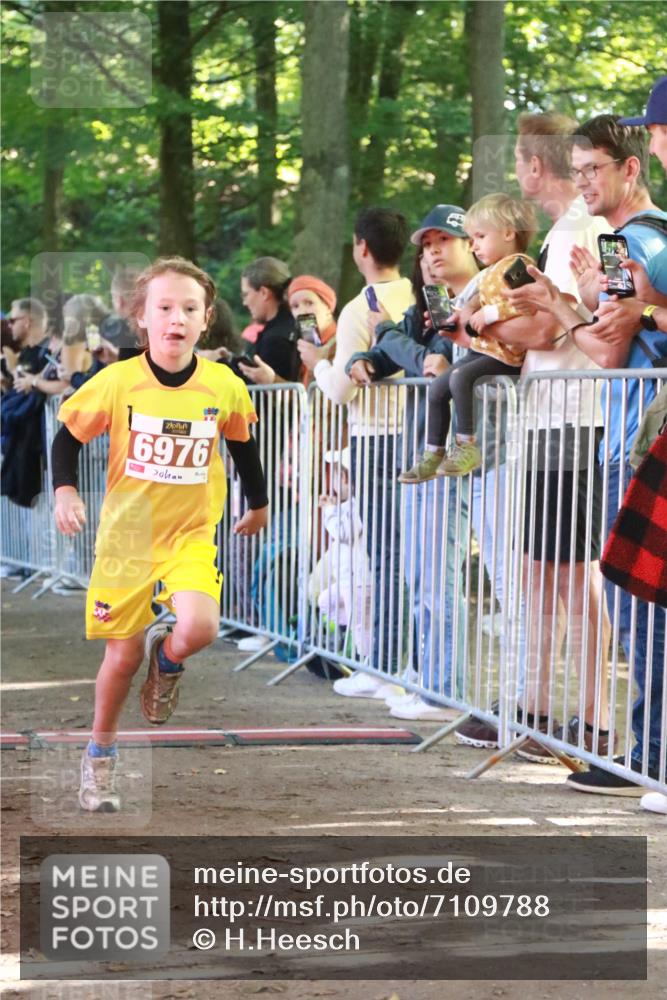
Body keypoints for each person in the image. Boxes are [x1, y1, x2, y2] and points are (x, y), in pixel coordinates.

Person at [51, 257, 268, 812]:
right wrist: (65, 491)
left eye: (189, 309)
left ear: (206, 319)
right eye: (165, 307)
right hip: (127, 539)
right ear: (142, 318)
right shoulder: (118, 380)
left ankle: (166, 662)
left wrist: (259, 504)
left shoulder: (222, 385)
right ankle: (100, 757)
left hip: (189, 534)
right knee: (121, 658)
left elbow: (243, 446)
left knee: (199, 626)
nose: (177, 318)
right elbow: (67, 438)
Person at [502, 108, 667, 798]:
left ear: (629, 168)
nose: (583, 184)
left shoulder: (633, 242)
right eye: (575, 172)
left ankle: (648, 754)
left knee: (635, 601)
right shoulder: (631, 238)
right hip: (631, 434)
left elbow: (606, 350)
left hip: (638, 440)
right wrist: (567, 301)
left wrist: (562, 306)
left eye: (592, 170)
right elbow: (609, 335)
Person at [455, 112, 611, 764]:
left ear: (532, 165)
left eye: (518, 160)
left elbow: (545, 330)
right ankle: (536, 711)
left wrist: (476, 328)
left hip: (572, 418)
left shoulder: (574, 230)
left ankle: (592, 720)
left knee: (573, 577)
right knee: (540, 571)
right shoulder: (560, 233)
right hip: (551, 420)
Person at [346, 204, 479, 719]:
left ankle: (445, 690)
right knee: (421, 573)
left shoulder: (482, 296)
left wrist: (393, 341)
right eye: (425, 246)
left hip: (461, 454)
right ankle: (431, 682)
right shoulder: (429, 304)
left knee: (440, 574)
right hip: (423, 450)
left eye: (444, 242)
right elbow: (400, 354)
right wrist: (366, 355)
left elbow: (434, 361)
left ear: (471, 244)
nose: (432, 254)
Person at [301, 207, 413, 699]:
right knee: (414, 554)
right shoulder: (417, 294)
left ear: (361, 248)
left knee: (385, 552)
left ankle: (384, 665)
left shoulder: (358, 308)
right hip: (419, 433)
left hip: (376, 436)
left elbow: (342, 389)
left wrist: (317, 365)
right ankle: (408, 664)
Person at [398, 194, 538, 482]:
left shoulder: (518, 266)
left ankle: (466, 446)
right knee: (438, 387)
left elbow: (528, 305)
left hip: (504, 354)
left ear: (508, 233)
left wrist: (489, 314)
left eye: (480, 237)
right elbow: (476, 300)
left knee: (460, 378)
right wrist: (462, 314)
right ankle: (433, 453)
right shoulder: (490, 274)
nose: (474, 246)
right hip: (482, 348)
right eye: (472, 239)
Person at [236, 256, 299, 386]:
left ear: (264, 292)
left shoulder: (276, 339)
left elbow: (257, 388)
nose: (244, 303)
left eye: (246, 294)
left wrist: (218, 363)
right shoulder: (288, 327)